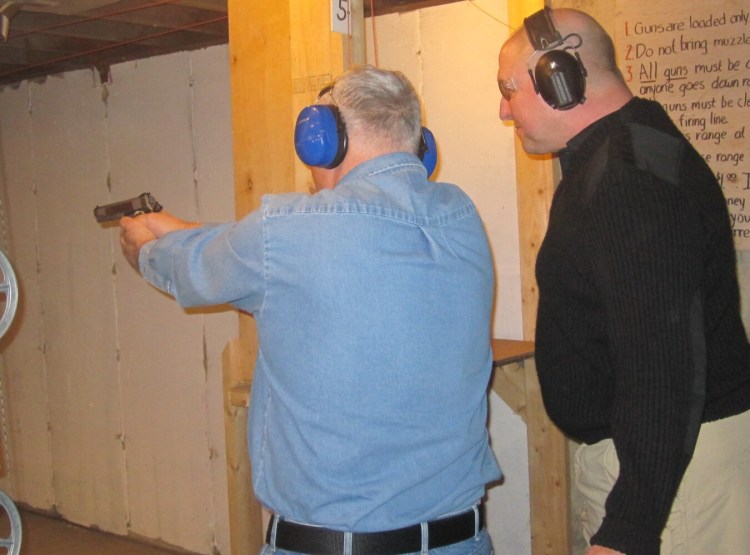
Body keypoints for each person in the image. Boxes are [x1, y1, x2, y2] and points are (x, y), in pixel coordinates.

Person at [120, 64, 501, 555]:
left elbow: (202, 264)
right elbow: (280, 255)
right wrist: (186, 226)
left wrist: (143, 247)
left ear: (321, 139)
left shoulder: (287, 236)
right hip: (460, 542)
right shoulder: (460, 217)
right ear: (418, 143)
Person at [497, 7, 750, 555]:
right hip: (667, 463)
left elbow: (663, 362)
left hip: (669, 478)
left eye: (509, 89)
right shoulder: (628, 151)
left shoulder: (625, 180)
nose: (502, 108)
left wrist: (629, 528)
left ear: (557, 78)